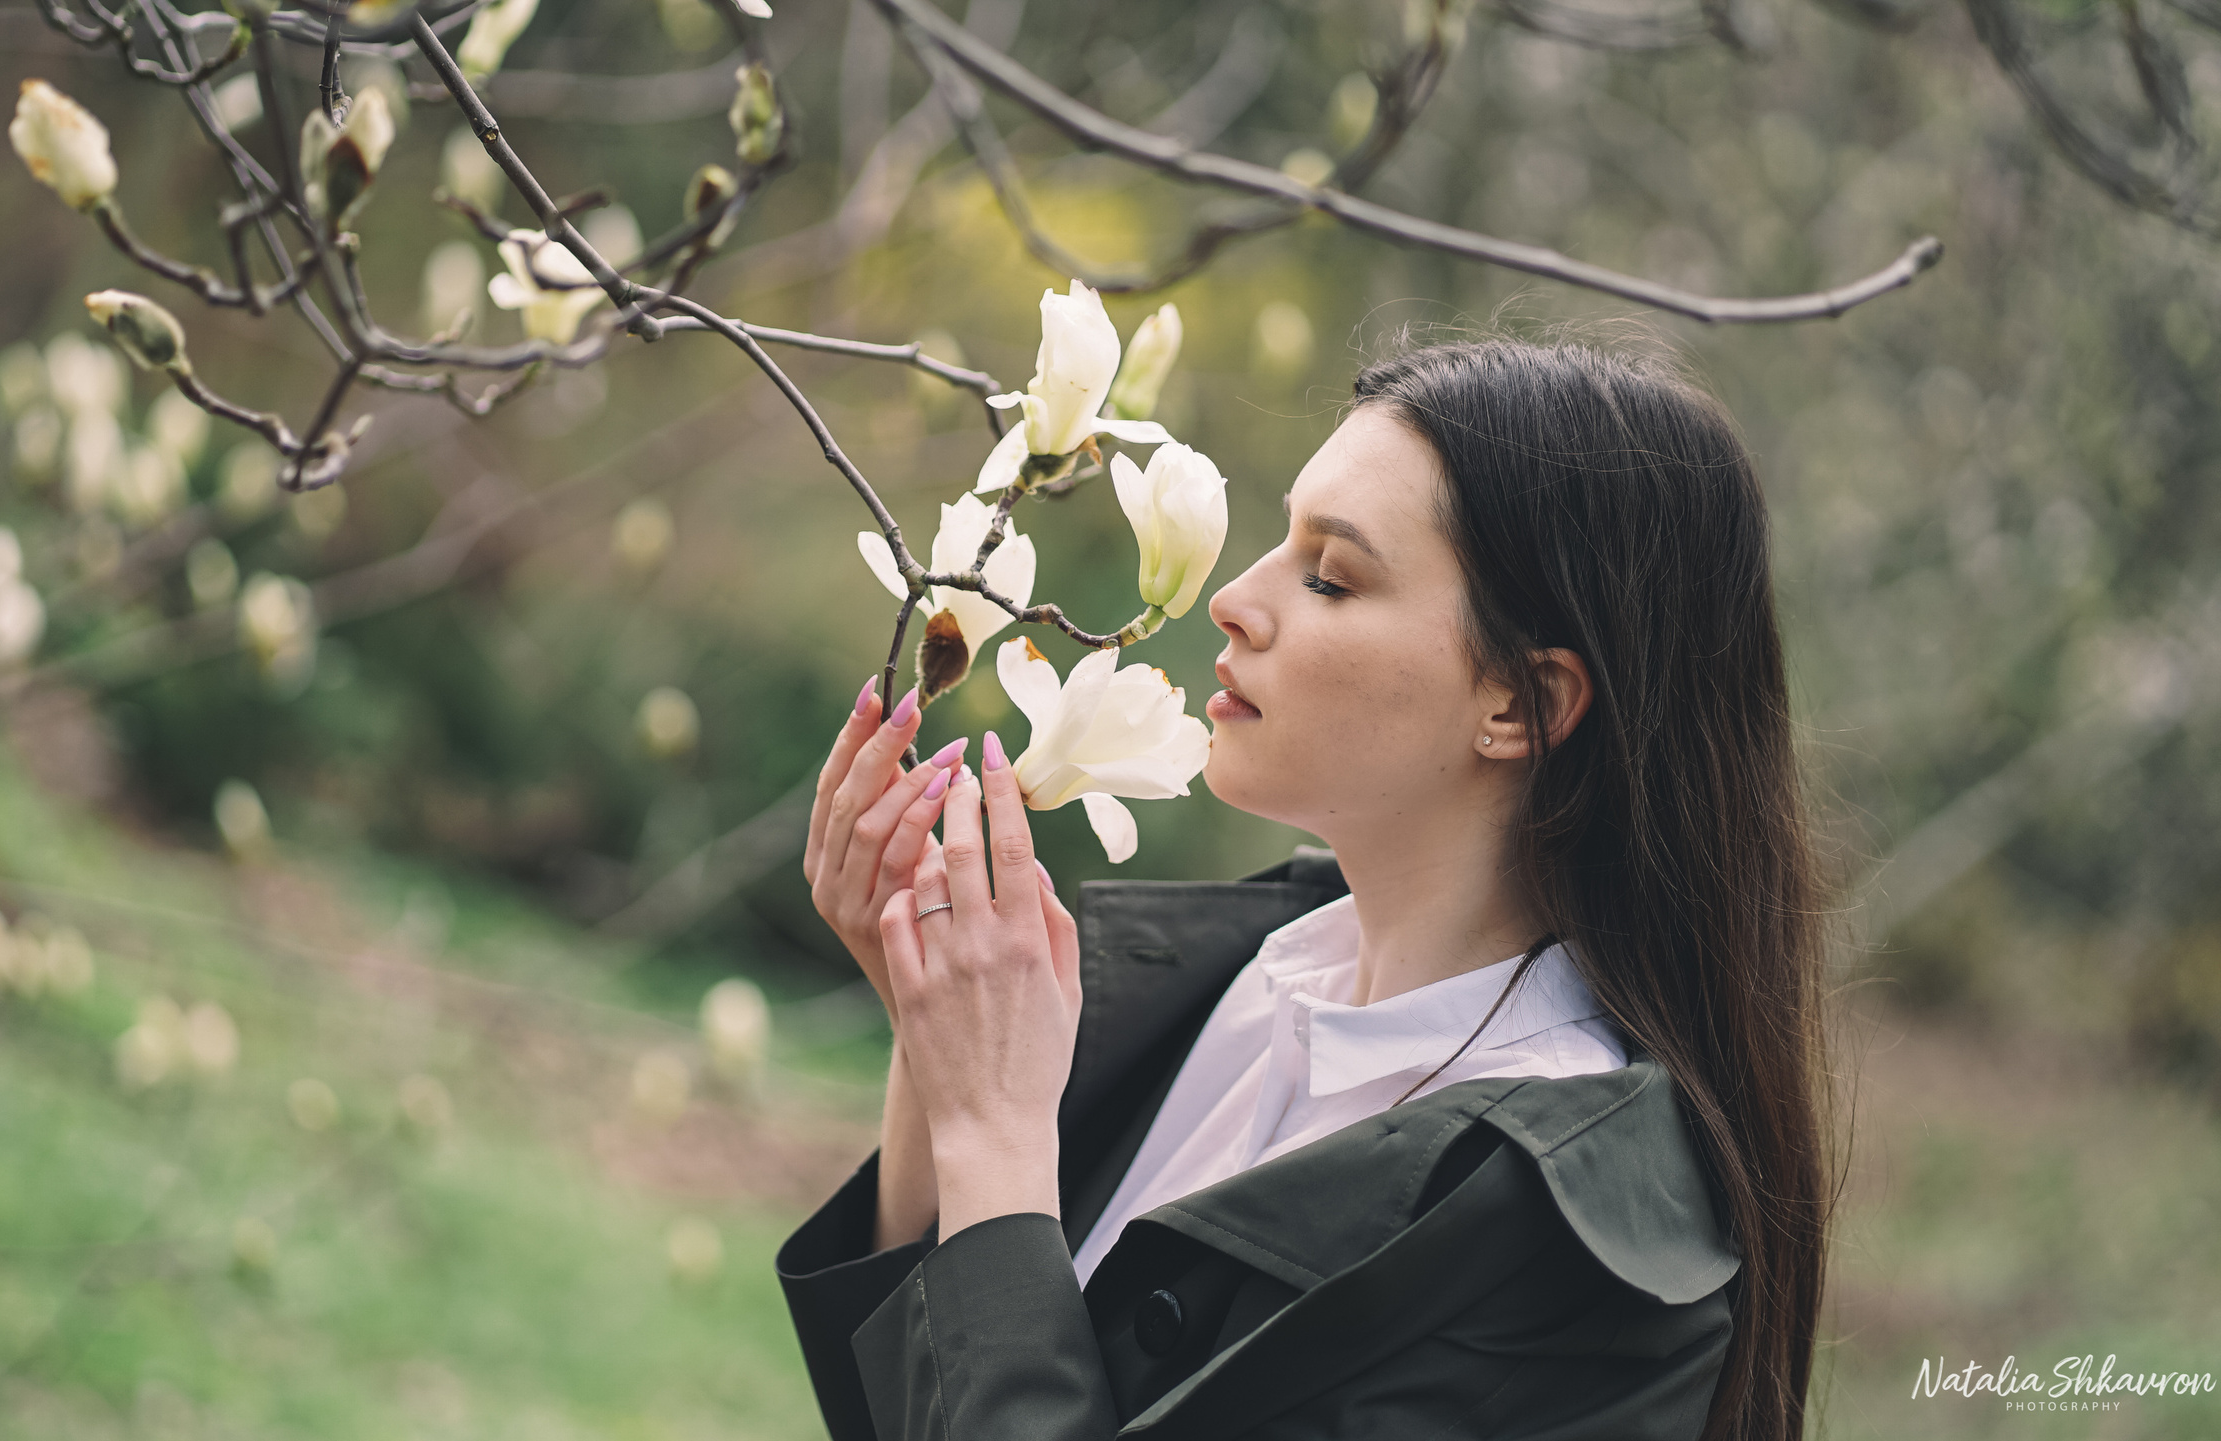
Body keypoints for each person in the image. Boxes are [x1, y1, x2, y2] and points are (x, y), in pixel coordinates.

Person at [778, 335, 1832, 1441]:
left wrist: (995, 1130)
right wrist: (934, 1028)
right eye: (1280, 543)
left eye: (1329, 575)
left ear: (1521, 705)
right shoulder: (1238, 983)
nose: (1231, 599)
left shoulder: (1563, 1241)